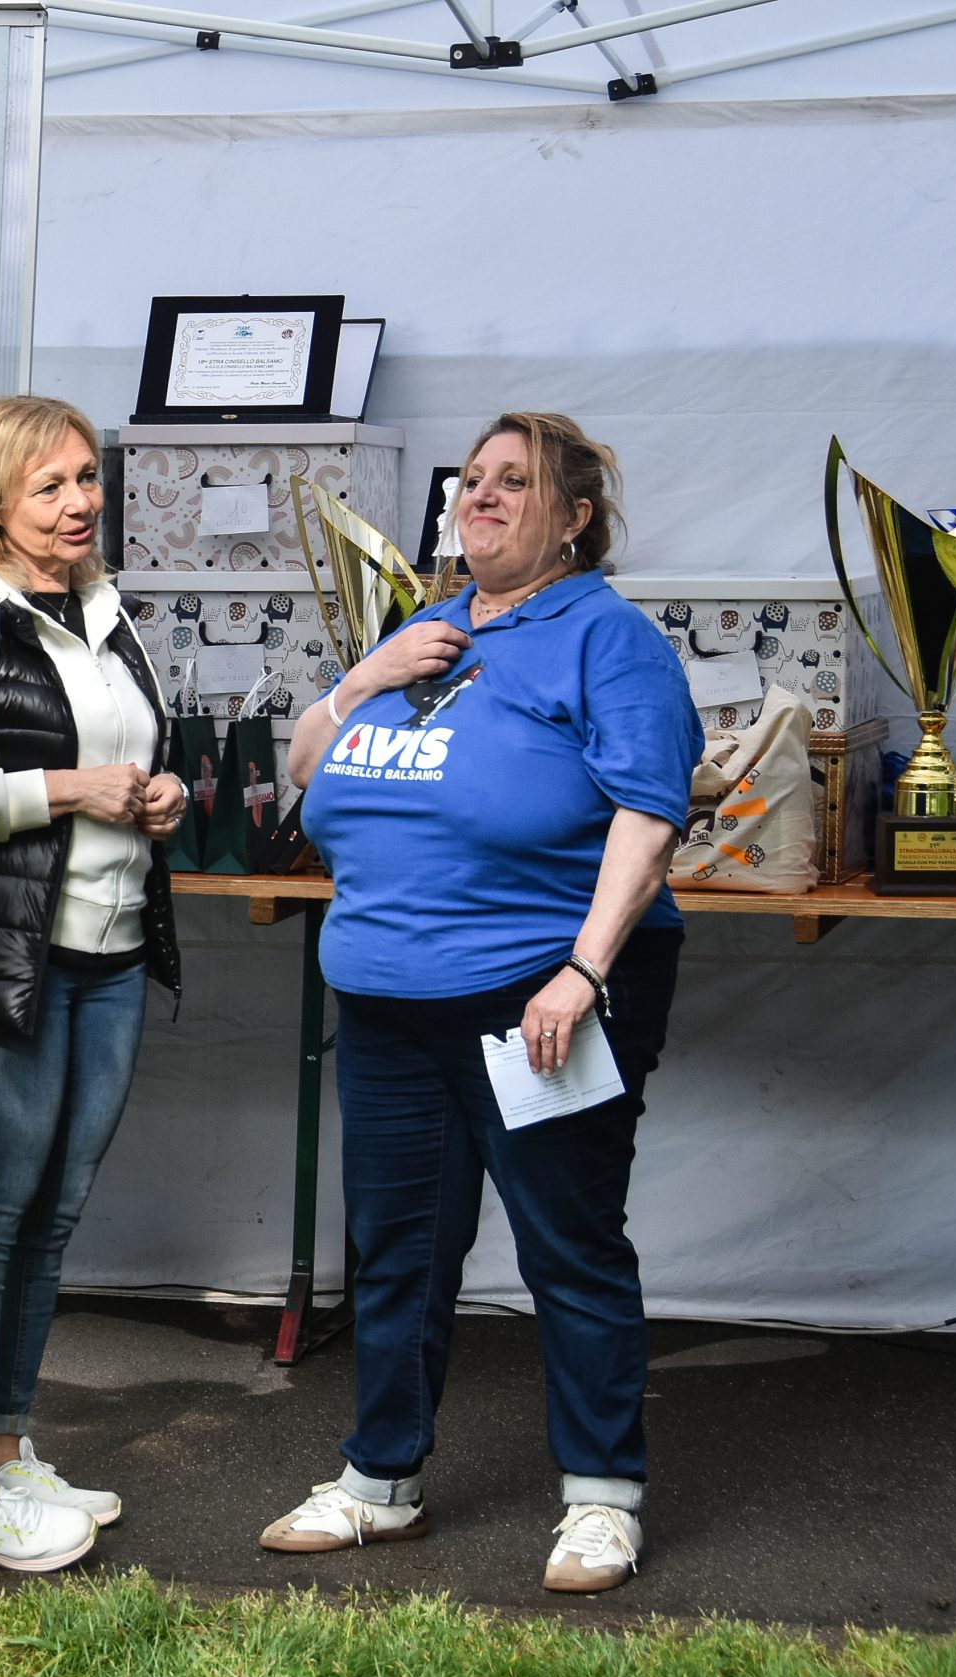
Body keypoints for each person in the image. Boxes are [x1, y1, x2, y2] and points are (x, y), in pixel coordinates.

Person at [260, 412, 699, 1594]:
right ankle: (380, 1481)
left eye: (516, 481)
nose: (484, 497)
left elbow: (649, 815)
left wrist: (582, 972)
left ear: (575, 517)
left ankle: (601, 1495)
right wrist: (367, 673)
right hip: (386, 999)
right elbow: (304, 767)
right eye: (474, 481)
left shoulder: (606, 639)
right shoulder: (427, 626)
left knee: (568, 1241)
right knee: (398, 1248)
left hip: (536, 997)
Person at [0, 397, 183, 1571]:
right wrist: (71, 790)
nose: (81, 502)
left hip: (110, 953)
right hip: (3, 962)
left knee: (49, 1212)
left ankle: (4, 1447)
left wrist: (163, 794)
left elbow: (141, 756)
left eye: (86, 478)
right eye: (50, 486)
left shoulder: (107, 613)